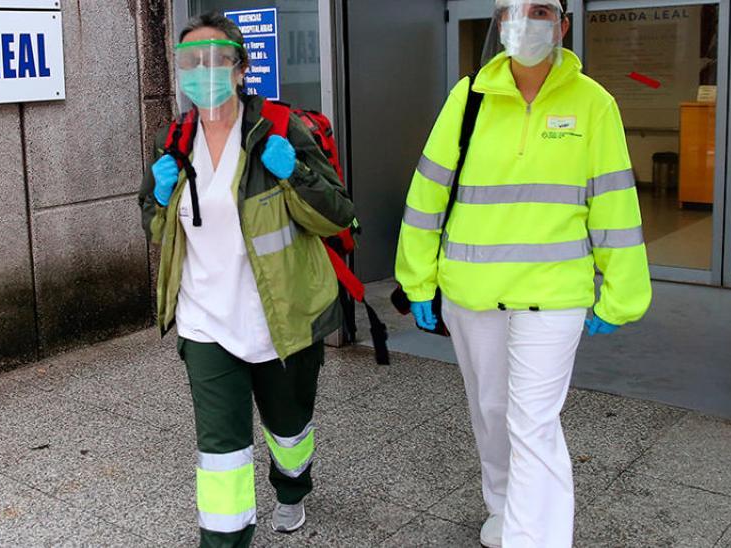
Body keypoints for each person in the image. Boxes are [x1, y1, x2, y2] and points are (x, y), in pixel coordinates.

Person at [394, 0, 652, 546]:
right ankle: (505, 507)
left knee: (533, 421)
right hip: (472, 290)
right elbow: (428, 194)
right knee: (490, 409)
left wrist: (622, 290)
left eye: (539, 10)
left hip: (554, 294)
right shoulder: (468, 99)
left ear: (562, 23)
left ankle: (534, 538)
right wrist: (417, 278)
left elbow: (614, 203)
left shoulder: (593, 103)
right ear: (498, 22)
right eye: (512, 10)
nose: (525, 22)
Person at [136, 12, 354, 548]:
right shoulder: (176, 138)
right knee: (221, 454)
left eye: (214, 59)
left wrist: (294, 172)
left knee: (289, 429)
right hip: (204, 322)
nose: (201, 70)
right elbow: (156, 222)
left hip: (279, 319)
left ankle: (292, 484)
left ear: (239, 68)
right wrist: (157, 198)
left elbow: (336, 214)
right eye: (190, 60)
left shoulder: (279, 130)